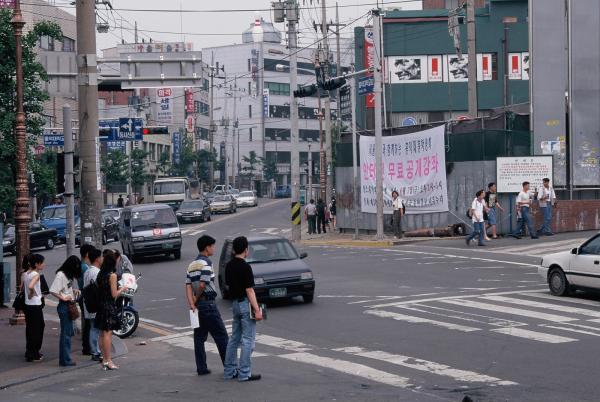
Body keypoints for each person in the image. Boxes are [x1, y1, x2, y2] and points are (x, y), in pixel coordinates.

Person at [185, 235, 229, 375]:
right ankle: (230, 367)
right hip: (208, 303)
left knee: (199, 337)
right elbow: (203, 284)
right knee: (221, 336)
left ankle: (201, 368)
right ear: (207, 247)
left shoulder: (191, 265)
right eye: (212, 246)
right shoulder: (206, 264)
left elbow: (188, 285)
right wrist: (197, 298)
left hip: (198, 307)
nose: (213, 249)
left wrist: (192, 303)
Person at [223, 236, 262, 382]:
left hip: (234, 304)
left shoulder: (229, 265)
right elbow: (249, 290)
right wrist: (257, 309)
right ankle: (244, 373)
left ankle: (229, 371)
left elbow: (227, 286)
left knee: (234, 339)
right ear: (246, 249)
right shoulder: (245, 267)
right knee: (247, 339)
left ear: (233, 249)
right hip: (245, 304)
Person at [95, 251, 129, 370]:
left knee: (102, 334)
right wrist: (123, 289)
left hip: (100, 305)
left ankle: (104, 359)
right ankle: (109, 360)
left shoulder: (100, 274)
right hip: (109, 306)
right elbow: (114, 294)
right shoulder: (112, 275)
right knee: (108, 333)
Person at [49, 255, 82, 367]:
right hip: (65, 306)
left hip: (69, 305)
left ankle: (65, 359)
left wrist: (73, 290)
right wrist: (63, 297)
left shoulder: (67, 275)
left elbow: (64, 288)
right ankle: (65, 360)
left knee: (68, 333)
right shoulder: (61, 275)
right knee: (66, 334)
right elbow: (53, 290)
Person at [23, 254, 45, 362]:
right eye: (42, 262)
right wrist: (32, 292)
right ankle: (34, 353)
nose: (43, 264)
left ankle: (29, 351)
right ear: (36, 264)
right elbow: (31, 286)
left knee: (30, 329)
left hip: (27, 305)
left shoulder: (25, 273)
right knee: (38, 329)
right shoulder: (36, 274)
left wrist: (30, 293)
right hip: (35, 305)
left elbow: (23, 287)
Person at [82, 248, 102, 362]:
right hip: (95, 304)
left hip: (89, 303)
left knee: (92, 328)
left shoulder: (88, 271)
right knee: (95, 329)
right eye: (101, 257)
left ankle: (95, 350)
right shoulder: (96, 272)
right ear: (98, 259)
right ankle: (96, 351)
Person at [78, 244, 95, 356]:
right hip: (86, 296)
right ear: (88, 254)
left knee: (87, 322)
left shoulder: (81, 265)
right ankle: (87, 347)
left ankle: (87, 346)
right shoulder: (85, 268)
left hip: (82, 295)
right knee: (88, 323)